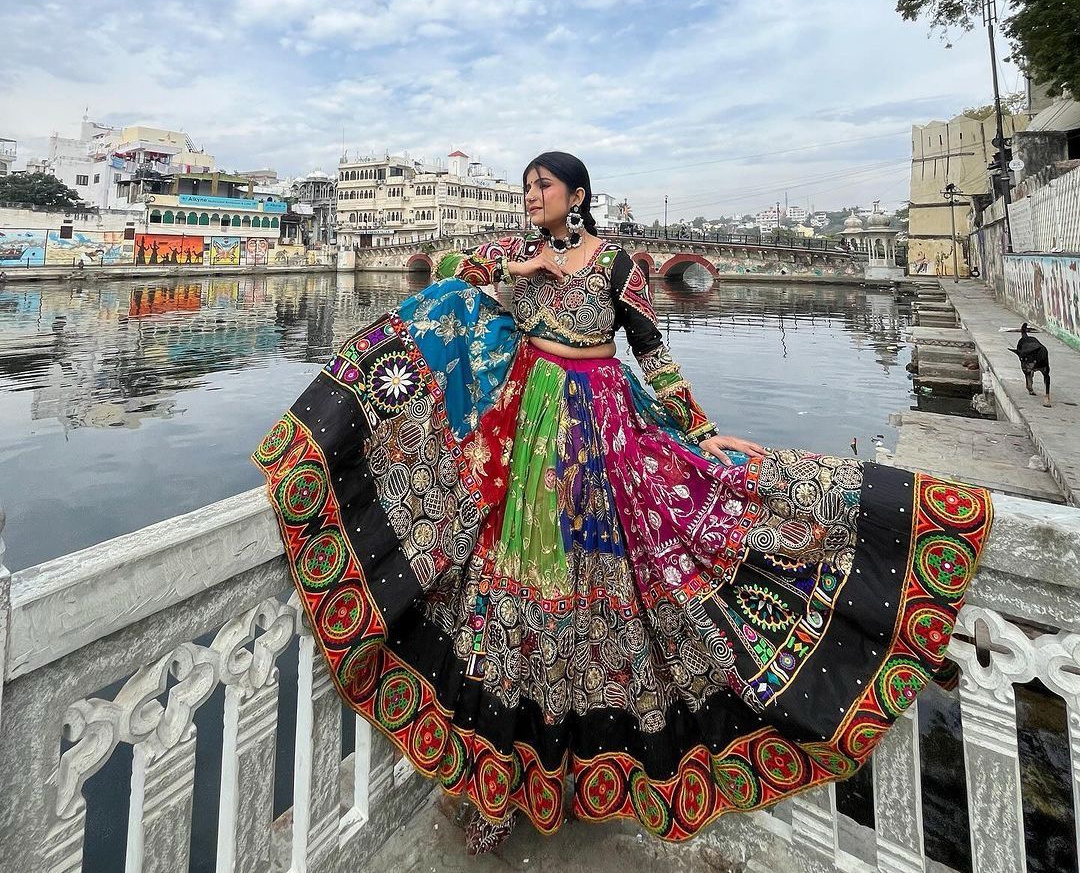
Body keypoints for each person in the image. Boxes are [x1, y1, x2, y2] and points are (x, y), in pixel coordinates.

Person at [252, 151, 992, 855]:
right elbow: (444, 270)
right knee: (514, 607)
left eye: (544, 185)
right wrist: (523, 265)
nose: (532, 196)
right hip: (526, 437)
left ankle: (571, 769)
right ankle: (495, 789)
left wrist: (699, 428)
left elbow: (652, 350)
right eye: (526, 186)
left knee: (612, 594)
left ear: (577, 195)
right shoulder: (516, 251)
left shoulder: (617, 265)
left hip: (606, 438)